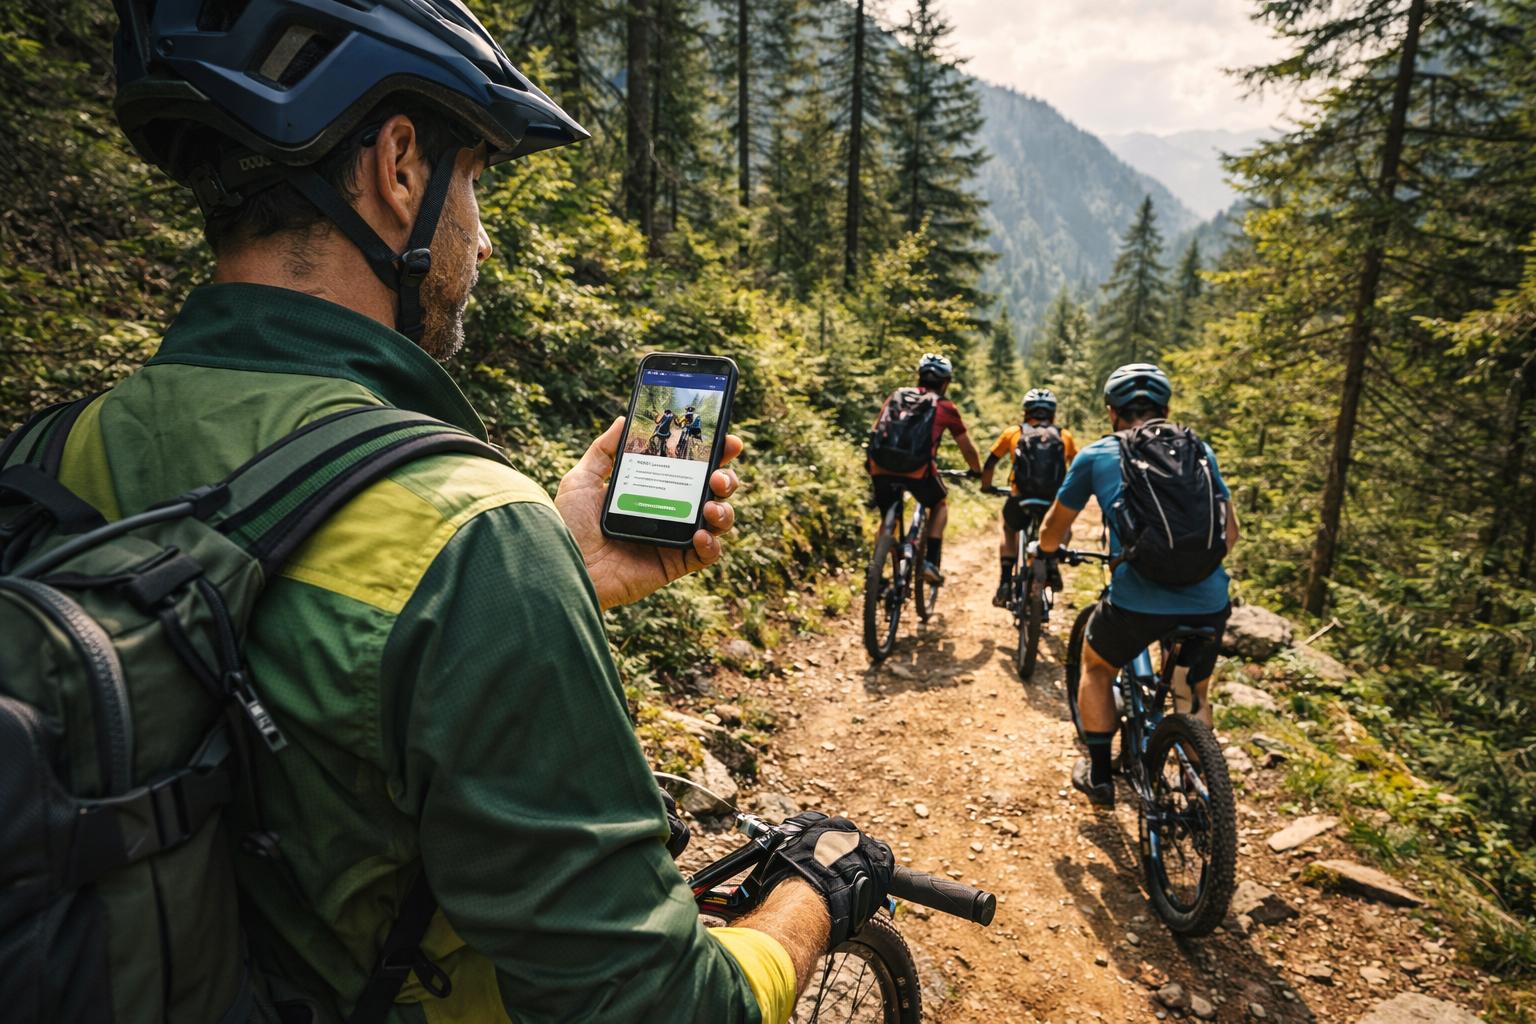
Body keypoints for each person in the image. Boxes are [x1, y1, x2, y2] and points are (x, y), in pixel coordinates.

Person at [76, 1, 894, 1020]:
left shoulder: (55, 451)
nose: (487, 241)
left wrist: (560, 567)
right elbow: (664, 1007)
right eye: (475, 182)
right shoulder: (466, 540)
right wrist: (809, 901)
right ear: (402, 165)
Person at [1032, 364, 1240, 805]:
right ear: (1165, 410)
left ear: (1112, 413)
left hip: (1136, 602)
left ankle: (1100, 773)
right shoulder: (1199, 449)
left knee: (1097, 665)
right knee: (1192, 689)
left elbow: (1053, 528)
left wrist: (1043, 552)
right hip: (1208, 599)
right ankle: (1196, 788)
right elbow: (1231, 533)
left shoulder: (1097, 455)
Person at [867, 353, 983, 584]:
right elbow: (967, 449)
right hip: (918, 472)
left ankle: (876, 570)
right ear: (945, 382)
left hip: (880, 468)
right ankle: (930, 562)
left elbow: (875, 431)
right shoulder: (945, 407)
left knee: (889, 514)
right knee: (939, 504)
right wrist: (976, 471)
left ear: (919, 377)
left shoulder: (897, 395)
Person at [980, 387, 1077, 607]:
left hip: (1020, 498)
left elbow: (990, 463)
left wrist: (986, 487)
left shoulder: (1014, 433)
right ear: (1052, 413)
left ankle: (1005, 581)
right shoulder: (1064, 435)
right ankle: (1052, 560)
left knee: (1008, 528)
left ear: (1026, 412)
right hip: (1051, 500)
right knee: (1063, 526)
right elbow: (1076, 468)